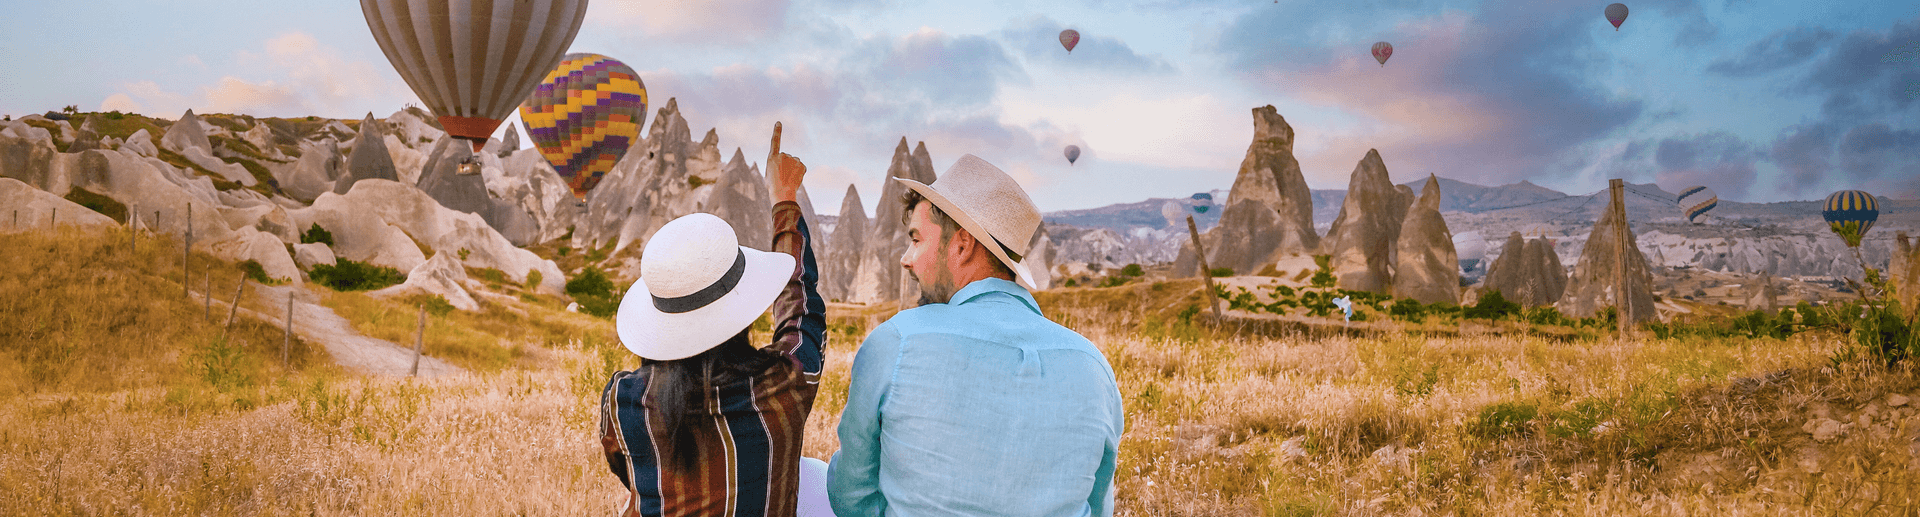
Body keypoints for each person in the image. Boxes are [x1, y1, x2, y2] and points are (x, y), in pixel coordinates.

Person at [827, 154, 1124, 516]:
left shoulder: (897, 342)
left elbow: (851, 497)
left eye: (917, 240)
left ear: (962, 246)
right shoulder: (1094, 366)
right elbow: (1097, 506)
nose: (906, 259)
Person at [600, 123, 828, 515]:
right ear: (740, 310)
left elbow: (632, 474)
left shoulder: (624, 400)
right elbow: (801, 307)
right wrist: (784, 197)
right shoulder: (782, 385)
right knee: (817, 479)